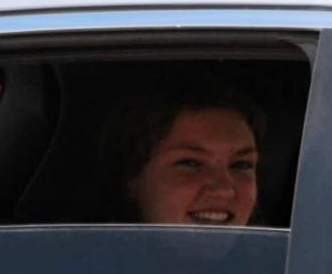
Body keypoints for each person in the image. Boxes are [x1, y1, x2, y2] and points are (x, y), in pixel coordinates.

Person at [98, 74, 265, 226]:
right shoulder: (83, 258)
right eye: (191, 163)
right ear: (131, 178)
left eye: (240, 165)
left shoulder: (282, 258)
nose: (223, 190)